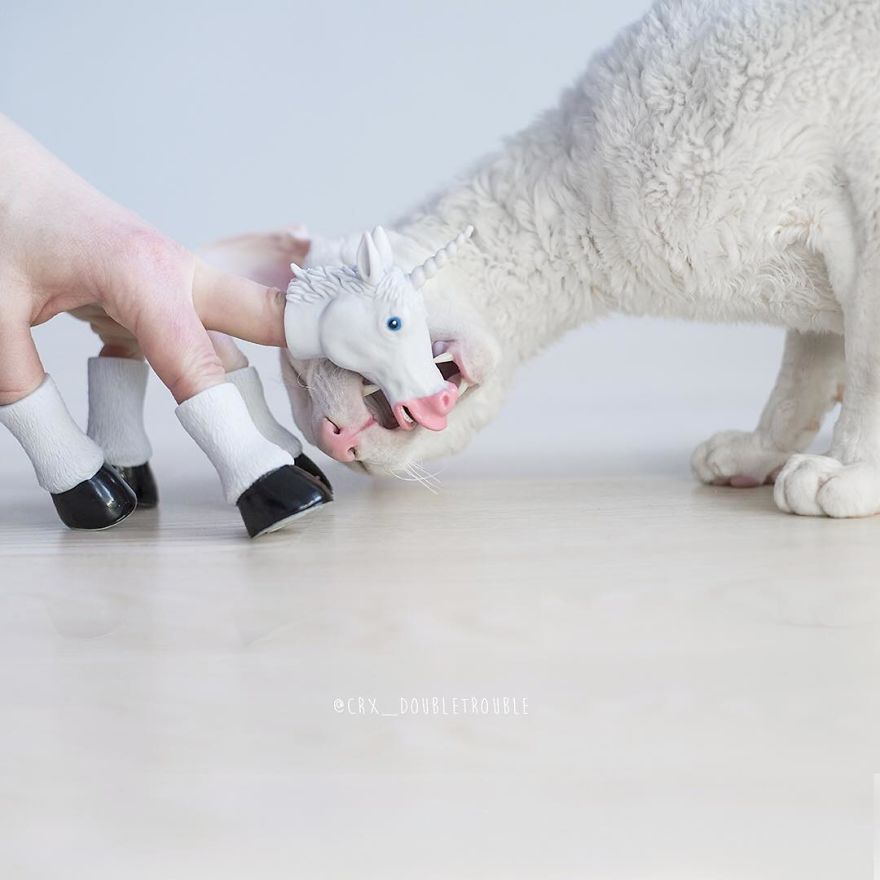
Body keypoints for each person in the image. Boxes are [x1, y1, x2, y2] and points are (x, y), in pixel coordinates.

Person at [0, 114, 330, 536]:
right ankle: (253, 470)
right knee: (185, 344)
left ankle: (119, 460)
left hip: (85, 230)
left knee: (168, 310)